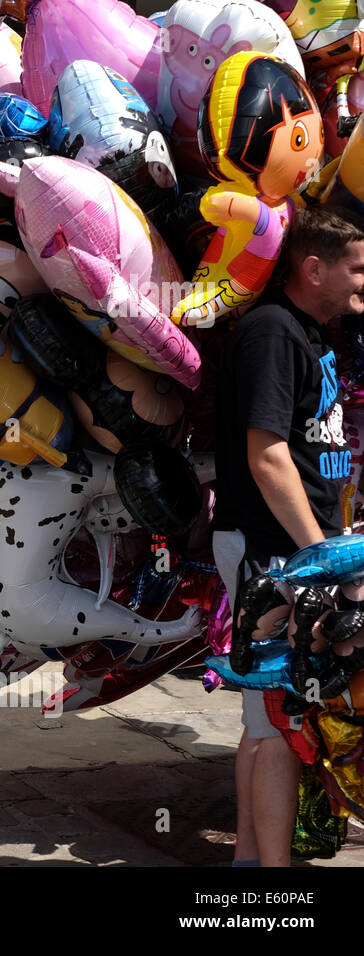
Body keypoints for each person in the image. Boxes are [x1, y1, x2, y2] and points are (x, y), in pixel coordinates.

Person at [212, 203, 364, 866]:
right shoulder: (274, 331)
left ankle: (251, 865)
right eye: (357, 271)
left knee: (265, 722)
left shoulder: (314, 336)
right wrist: (322, 556)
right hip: (273, 550)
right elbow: (267, 454)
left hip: (295, 549)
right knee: (277, 723)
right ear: (312, 268)